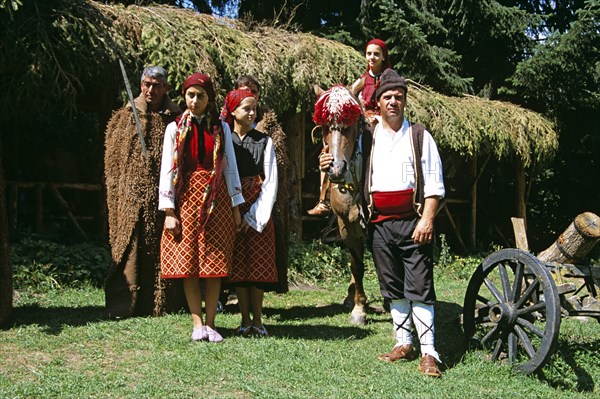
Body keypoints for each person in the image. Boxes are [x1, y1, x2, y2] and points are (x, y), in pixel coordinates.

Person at [320, 69, 445, 377]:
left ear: (405, 101)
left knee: (420, 287)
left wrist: (427, 219)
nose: (393, 102)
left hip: (412, 222)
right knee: (392, 287)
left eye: (398, 97)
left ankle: (429, 351)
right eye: (387, 97)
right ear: (378, 102)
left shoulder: (419, 135)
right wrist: (326, 163)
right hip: (379, 224)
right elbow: (344, 155)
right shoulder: (368, 137)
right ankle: (403, 343)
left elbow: (434, 184)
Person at [158, 73, 244, 343]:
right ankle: (197, 323)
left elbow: (229, 166)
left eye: (201, 96)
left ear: (210, 99)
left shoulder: (221, 128)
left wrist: (236, 205)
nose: (194, 101)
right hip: (185, 202)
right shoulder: (174, 128)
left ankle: (211, 323)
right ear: (184, 97)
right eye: (190, 95)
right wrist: (169, 211)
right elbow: (167, 170)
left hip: (215, 201)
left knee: (215, 263)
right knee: (190, 262)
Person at [104, 65, 183, 318]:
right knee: (132, 246)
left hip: (166, 195)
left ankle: (164, 303)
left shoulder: (176, 118)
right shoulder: (125, 116)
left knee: (163, 245)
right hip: (132, 196)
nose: (151, 90)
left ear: (166, 88)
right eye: (147, 84)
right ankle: (125, 305)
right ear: (140, 85)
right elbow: (114, 161)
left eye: (157, 85)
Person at [307, 38, 391, 217]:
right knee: (327, 152)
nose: (372, 57)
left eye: (376, 54)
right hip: (364, 120)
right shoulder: (361, 80)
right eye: (369, 54)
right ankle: (323, 199)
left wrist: (378, 117)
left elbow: (391, 103)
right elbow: (355, 100)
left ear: (384, 57)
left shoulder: (389, 78)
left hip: (382, 122)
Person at [221, 88, 278, 336]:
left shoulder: (264, 141)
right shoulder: (225, 141)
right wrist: (235, 212)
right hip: (231, 208)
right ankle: (244, 320)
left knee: (257, 268)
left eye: (255, 108)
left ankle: (258, 319)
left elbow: (270, 181)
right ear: (233, 111)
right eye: (247, 108)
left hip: (258, 209)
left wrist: (253, 215)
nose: (252, 112)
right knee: (239, 269)